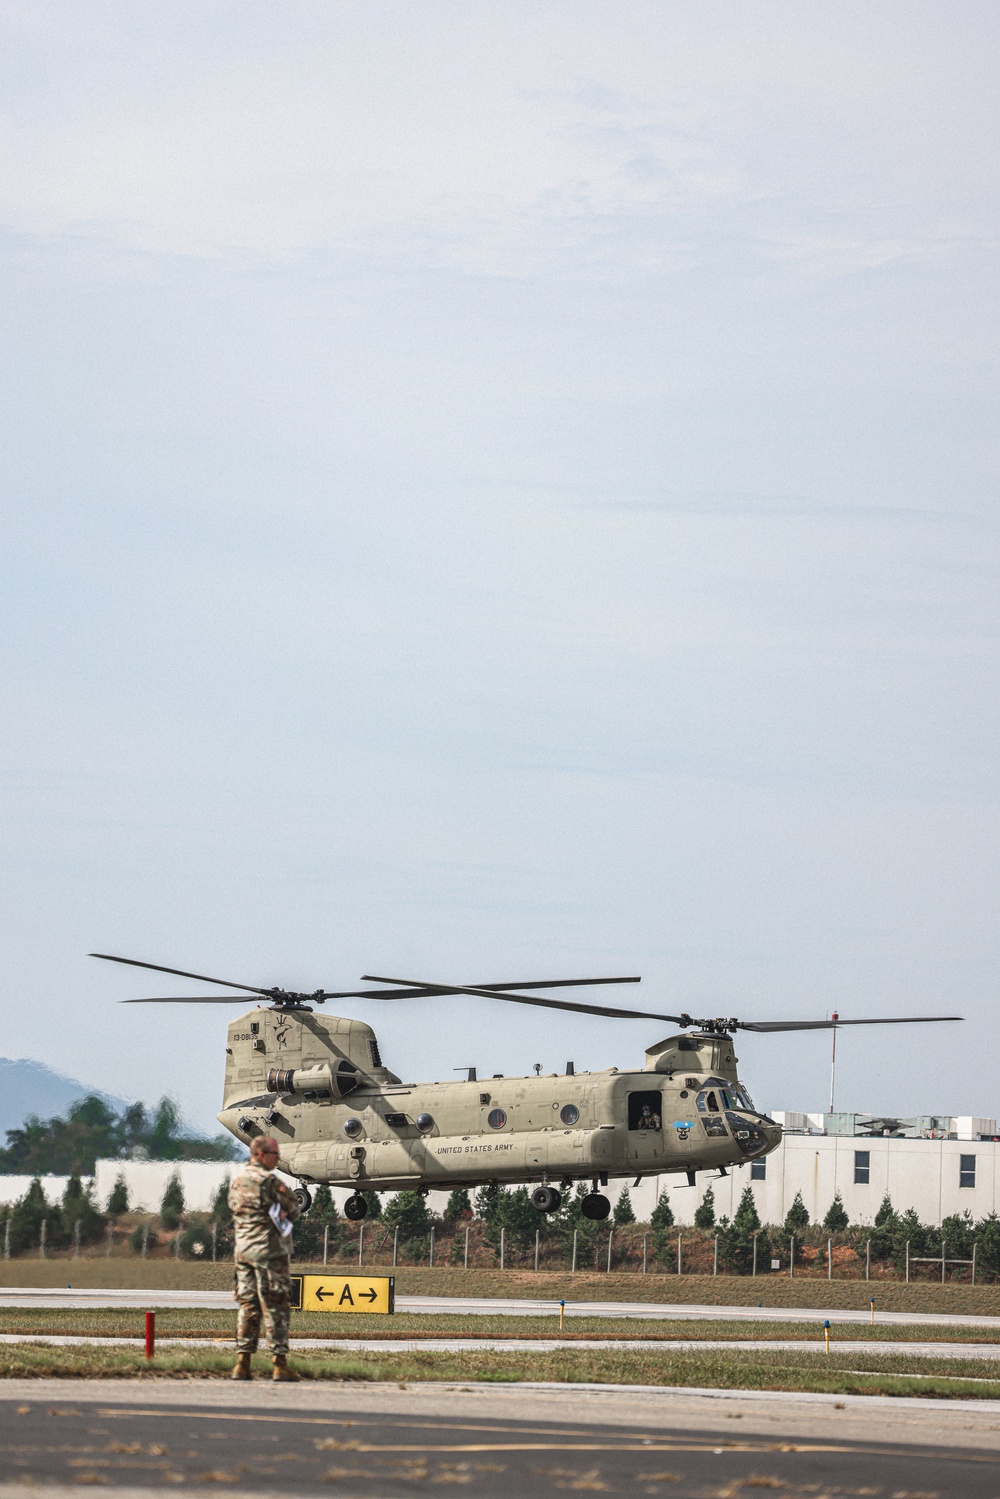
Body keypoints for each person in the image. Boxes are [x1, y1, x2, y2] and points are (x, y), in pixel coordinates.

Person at [228, 1134, 302, 1381]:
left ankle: (242, 1363)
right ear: (261, 1154)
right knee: (275, 1305)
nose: (278, 1159)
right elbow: (293, 1209)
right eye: (275, 1154)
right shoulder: (270, 1182)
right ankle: (279, 1364)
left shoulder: (237, 1181)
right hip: (269, 1252)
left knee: (248, 1305)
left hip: (243, 1252)